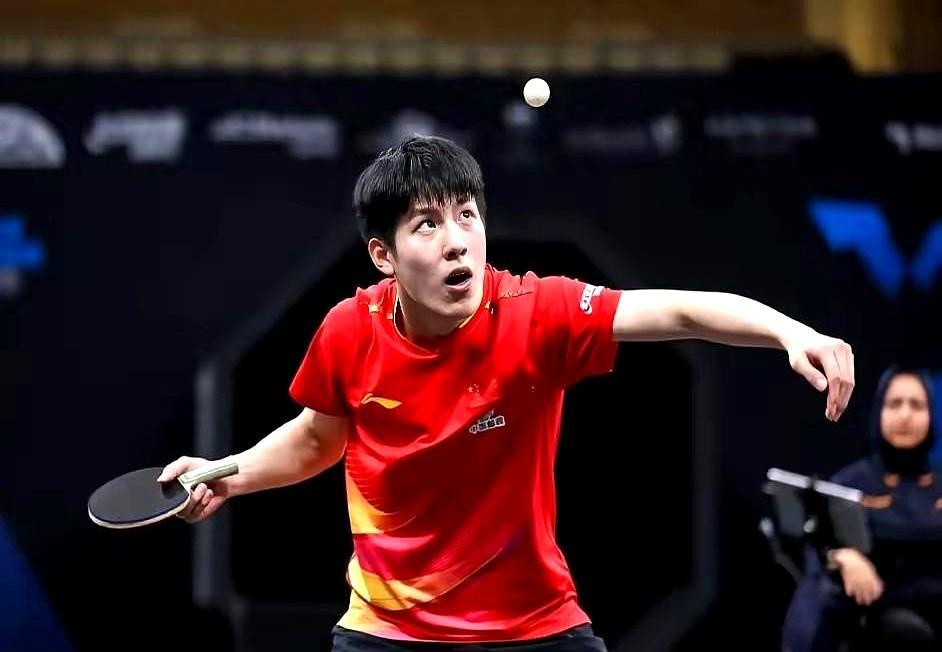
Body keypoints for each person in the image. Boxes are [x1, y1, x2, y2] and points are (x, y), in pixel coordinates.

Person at [159, 135, 855, 651]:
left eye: (467, 215)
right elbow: (317, 437)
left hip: (534, 627)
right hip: (389, 631)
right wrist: (227, 474)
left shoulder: (536, 313)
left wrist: (788, 331)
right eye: (427, 224)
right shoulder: (350, 329)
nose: (457, 241)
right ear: (383, 254)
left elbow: (676, 311)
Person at [781, 367, 942, 651]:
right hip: (869, 613)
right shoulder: (852, 482)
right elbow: (818, 546)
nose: (905, 415)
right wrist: (842, 557)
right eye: (894, 404)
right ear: (879, 412)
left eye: (917, 405)